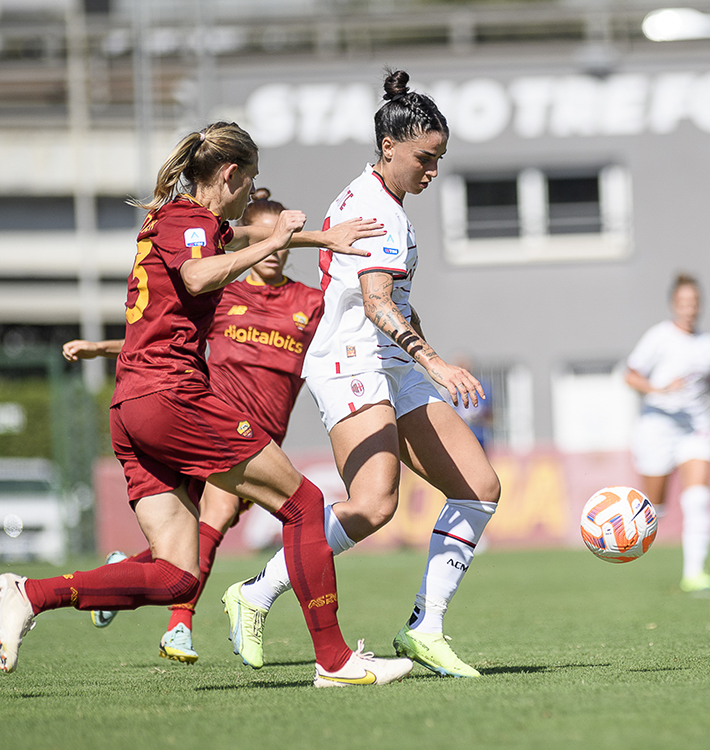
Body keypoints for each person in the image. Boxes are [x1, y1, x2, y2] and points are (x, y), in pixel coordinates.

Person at [0, 121, 413, 687]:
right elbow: (198, 275)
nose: (253, 196)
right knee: (304, 502)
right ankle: (336, 662)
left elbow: (227, 244)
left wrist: (318, 238)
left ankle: (28, 593)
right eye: (252, 182)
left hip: (131, 406)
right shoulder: (188, 221)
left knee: (176, 577)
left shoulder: (173, 221)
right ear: (230, 174)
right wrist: (277, 239)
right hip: (172, 396)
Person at [227, 71, 501, 679]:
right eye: (425, 159)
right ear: (389, 148)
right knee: (374, 504)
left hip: (391, 360)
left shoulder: (383, 201)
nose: (432, 171)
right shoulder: (376, 208)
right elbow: (377, 304)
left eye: (440, 160)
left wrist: (421, 352)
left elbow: (396, 302)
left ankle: (424, 628)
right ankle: (257, 590)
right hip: (352, 359)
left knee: (478, 487)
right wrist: (435, 361)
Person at [62, 188, 325, 665]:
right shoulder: (226, 293)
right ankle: (179, 626)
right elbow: (155, 330)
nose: (275, 252)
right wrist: (99, 350)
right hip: (205, 423)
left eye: (282, 241)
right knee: (216, 520)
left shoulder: (309, 304)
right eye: (267, 238)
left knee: (187, 544)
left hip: (261, 438)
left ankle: (120, 577)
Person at [625, 273, 710, 593]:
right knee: (654, 510)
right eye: (684, 302)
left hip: (695, 429)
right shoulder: (659, 337)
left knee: (698, 499)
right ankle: (616, 543)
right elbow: (630, 376)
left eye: (695, 302)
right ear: (674, 304)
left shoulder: (705, 344)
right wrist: (659, 389)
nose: (690, 308)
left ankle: (693, 574)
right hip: (657, 428)